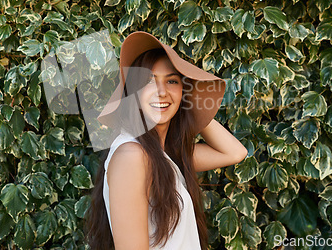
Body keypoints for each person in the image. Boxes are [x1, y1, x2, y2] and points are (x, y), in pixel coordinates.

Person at [85, 32, 248, 250]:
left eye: (171, 81)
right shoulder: (132, 155)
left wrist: (191, 102)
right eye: (148, 81)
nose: (161, 92)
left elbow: (235, 153)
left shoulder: (164, 154)